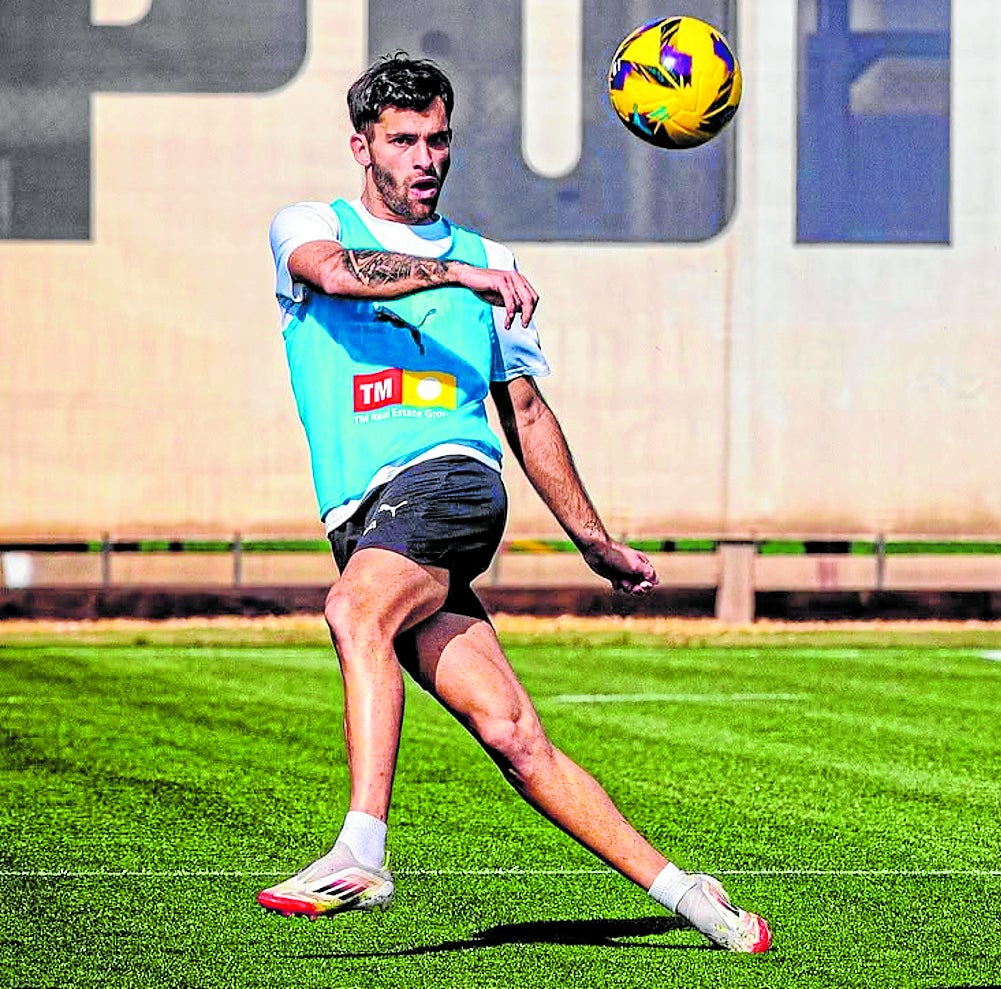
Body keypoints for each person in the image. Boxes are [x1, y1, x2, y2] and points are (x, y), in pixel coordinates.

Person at [259, 51, 771, 954]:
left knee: (353, 612)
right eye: (404, 140)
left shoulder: (492, 260)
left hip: (449, 482)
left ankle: (361, 849)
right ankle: (696, 898)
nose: (426, 158)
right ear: (361, 147)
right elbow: (339, 274)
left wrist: (593, 540)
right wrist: (458, 279)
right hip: (368, 519)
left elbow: (526, 414)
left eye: (438, 139)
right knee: (512, 733)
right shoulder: (311, 227)